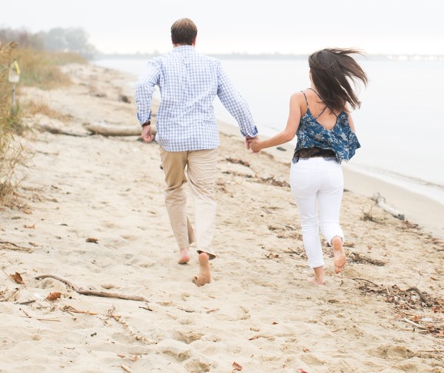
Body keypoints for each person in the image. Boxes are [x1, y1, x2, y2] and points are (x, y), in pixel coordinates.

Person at [135, 17, 258, 287]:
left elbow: (143, 86)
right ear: (195, 39)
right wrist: (249, 130)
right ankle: (204, 248)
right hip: (203, 138)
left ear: (172, 40)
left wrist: (145, 122)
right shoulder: (213, 65)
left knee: (174, 189)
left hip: (171, 139)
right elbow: (234, 98)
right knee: (204, 195)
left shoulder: (159, 62)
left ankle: (183, 249)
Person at [248, 48, 368, 285]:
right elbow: (351, 134)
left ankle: (319, 277)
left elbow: (287, 134)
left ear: (313, 73)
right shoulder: (340, 101)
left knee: (309, 222)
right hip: (332, 170)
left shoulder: (299, 98)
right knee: (330, 221)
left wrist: (260, 145)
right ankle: (336, 243)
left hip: (305, 168)